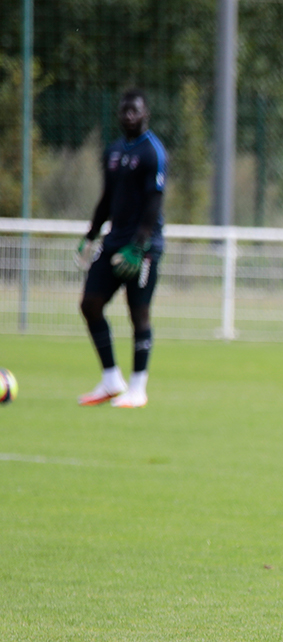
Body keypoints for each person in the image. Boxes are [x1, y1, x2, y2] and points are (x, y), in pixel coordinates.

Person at [76, 88, 167, 409]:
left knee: (138, 314)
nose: (129, 116)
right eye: (124, 110)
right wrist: (91, 234)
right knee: (90, 304)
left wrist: (138, 247)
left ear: (146, 114)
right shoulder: (113, 151)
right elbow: (107, 199)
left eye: (135, 111)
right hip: (113, 241)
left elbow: (154, 204)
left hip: (142, 247)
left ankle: (138, 388)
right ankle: (111, 379)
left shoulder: (153, 152)